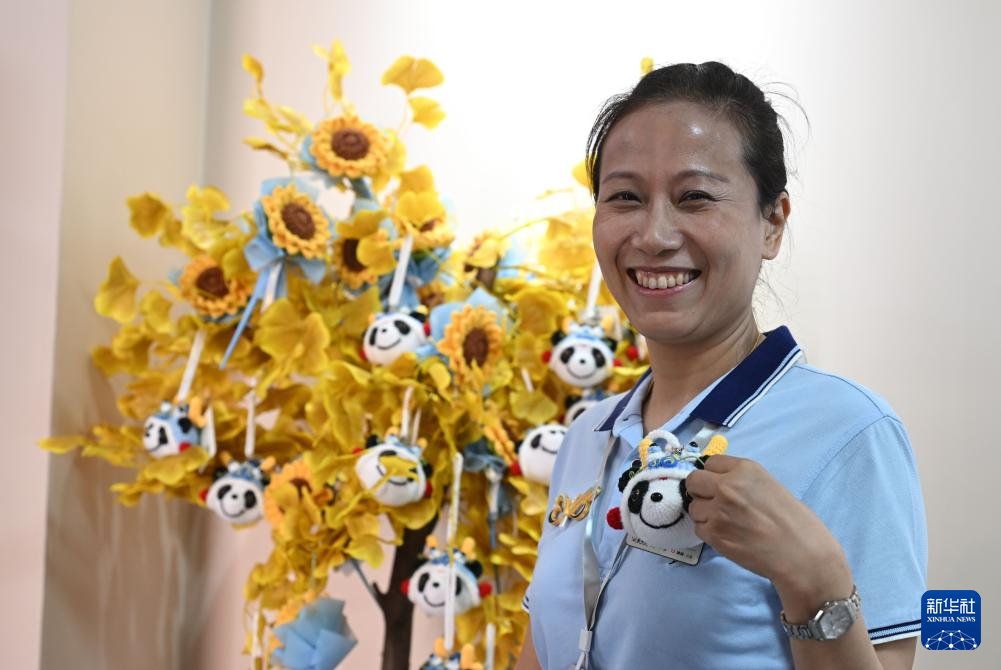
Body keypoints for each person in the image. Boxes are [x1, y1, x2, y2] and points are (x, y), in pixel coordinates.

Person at [516, 62, 927, 670]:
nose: (654, 235)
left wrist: (813, 574)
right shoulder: (588, 436)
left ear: (772, 223)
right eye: (625, 197)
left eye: (695, 198)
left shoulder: (850, 432)